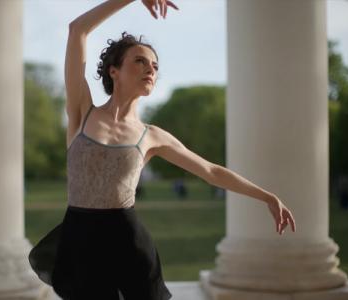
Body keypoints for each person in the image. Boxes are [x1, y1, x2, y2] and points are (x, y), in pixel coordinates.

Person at [28, 0, 296, 299]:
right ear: (114, 71)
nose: (150, 69)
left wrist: (266, 196)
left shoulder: (151, 136)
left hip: (129, 243)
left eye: (155, 66)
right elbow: (77, 30)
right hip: (80, 241)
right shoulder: (82, 111)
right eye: (140, 61)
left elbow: (211, 171)